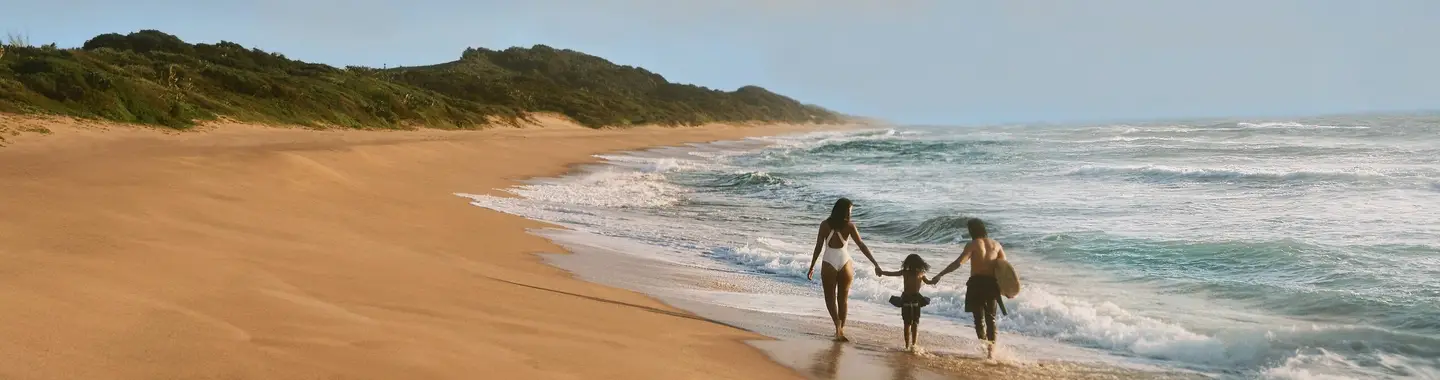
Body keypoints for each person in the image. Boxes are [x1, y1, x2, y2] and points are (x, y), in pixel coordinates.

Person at [929, 218, 1009, 358]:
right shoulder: (997, 245)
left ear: (972, 230)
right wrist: (1009, 290)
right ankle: (991, 353)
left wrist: (940, 274)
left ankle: (985, 348)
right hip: (991, 285)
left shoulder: (972, 244)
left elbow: (959, 263)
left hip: (976, 284)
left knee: (978, 319)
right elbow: (1006, 270)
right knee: (991, 319)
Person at [806, 198, 881, 341]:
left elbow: (818, 247)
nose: (851, 212)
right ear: (845, 211)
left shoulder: (824, 225)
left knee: (830, 298)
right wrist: (875, 263)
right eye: (850, 210)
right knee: (843, 300)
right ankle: (841, 330)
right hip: (845, 262)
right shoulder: (850, 226)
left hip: (829, 262)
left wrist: (812, 267)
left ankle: (837, 326)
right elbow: (861, 245)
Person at [877, 254, 938, 351]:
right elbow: (929, 282)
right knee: (915, 323)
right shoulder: (920, 273)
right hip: (915, 299)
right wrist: (935, 280)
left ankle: (907, 345)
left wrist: (881, 272)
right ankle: (913, 345)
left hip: (906, 299)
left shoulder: (906, 272)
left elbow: (891, 274)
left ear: (908, 263)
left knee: (907, 323)